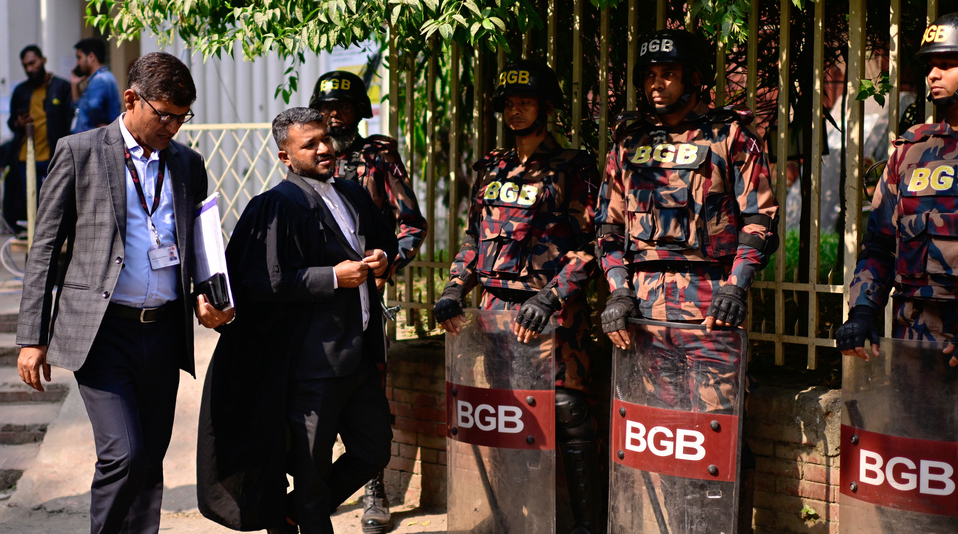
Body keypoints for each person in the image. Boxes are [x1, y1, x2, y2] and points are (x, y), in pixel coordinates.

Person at [15, 51, 231, 534]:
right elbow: (45, 249)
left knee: (149, 461)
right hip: (103, 333)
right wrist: (32, 336)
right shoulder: (80, 152)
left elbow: (198, 242)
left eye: (182, 117)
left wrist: (204, 292)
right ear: (131, 99)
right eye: (165, 115)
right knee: (124, 455)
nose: (174, 127)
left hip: (162, 332)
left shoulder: (187, 164)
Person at [837, 11, 958, 522]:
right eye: (930, 65)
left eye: (947, 63)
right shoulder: (909, 151)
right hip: (912, 352)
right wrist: (863, 311)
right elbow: (878, 244)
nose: (932, 75)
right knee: (913, 489)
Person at [595, 28, 778, 532]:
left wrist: (737, 285)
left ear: (693, 78)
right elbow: (607, 226)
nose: (657, 84)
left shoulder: (728, 135)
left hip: (710, 304)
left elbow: (760, 219)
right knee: (655, 430)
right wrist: (617, 291)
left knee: (717, 431)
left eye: (668, 74)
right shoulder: (629, 141)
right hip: (644, 309)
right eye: (650, 76)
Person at [197, 107, 398, 534]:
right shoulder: (274, 207)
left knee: (374, 448)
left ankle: (283, 513)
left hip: (359, 355)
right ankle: (295, 515)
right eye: (310, 144)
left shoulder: (353, 193)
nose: (324, 149)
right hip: (311, 367)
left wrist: (383, 259)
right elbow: (261, 282)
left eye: (325, 139)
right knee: (311, 477)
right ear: (285, 157)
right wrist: (332, 278)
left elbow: (385, 241)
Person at [433, 60, 602, 533]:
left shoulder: (574, 167)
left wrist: (550, 298)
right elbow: (472, 240)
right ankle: (512, 518)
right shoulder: (492, 167)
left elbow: (591, 246)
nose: (515, 110)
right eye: (508, 103)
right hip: (495, 315)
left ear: (546, 107)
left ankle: (585, 526)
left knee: (567, 412)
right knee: (506, 415)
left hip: (553, 314)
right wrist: (452, 290)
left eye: (525, 101)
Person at [309, 70, 427, 533]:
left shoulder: (377, 156)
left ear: (361, 110)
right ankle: (318, 487)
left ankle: (374, 491)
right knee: (318, 392)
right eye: (327, 105)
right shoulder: (308, 155)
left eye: (343, 105)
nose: (334, 112)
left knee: (369, 391)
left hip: (365, 296)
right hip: (318, 294)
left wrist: (387, 265)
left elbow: (411, 223)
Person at [3, 45, 73, 231]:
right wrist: (18, 123)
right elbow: (11, 123)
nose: (29, 69)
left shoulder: (61, 87)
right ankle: (35, 243)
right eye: (25, 65)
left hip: (54, 156)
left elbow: (68, 121)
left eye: (32, 63)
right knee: (32, 205)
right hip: (27, 158)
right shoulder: (21, 91)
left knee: (55, 204)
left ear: (43, 60)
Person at [71, 37, 121, 133]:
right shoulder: (103, 77)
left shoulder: (99, 80)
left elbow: (94, 106)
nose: (78, 62)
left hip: (91, 140)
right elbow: (79, 107)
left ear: (91, 57)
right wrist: (74, 85)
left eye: (79, 57)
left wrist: (98, 125)